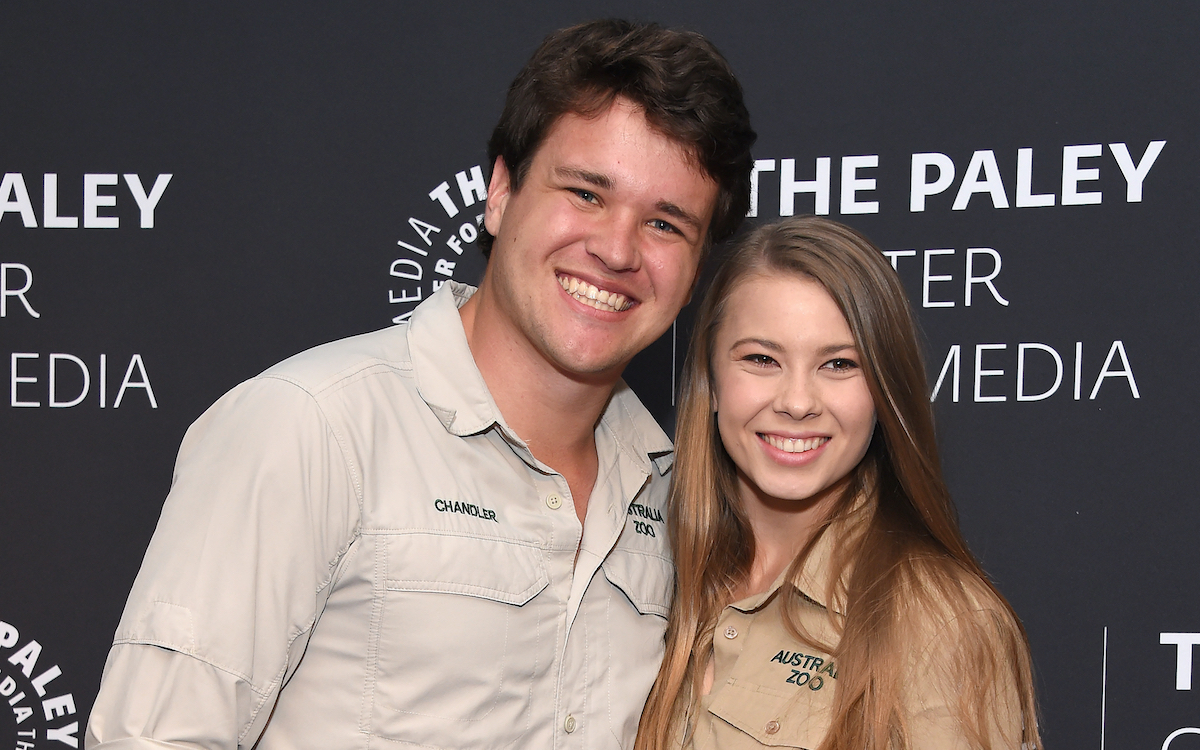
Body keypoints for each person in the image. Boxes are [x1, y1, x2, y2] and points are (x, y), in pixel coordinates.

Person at [85, 19, 755, 750]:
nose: (617, 249)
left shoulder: (674, 490)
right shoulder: (312, 427)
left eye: (665, 224)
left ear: (697, 269)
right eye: (587, 193)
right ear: (500, 192)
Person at [636, 217, 1042, 750]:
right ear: (711, 381)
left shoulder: (942, 623)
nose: (797, 402)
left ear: (883, 390)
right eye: (762, 359)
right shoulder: (642, 573)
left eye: (838, 364)